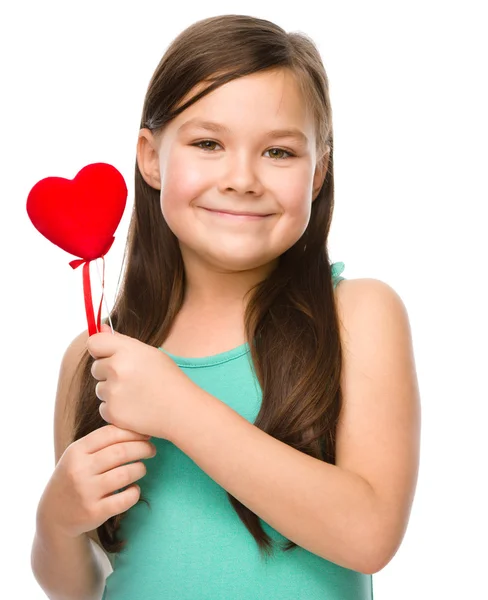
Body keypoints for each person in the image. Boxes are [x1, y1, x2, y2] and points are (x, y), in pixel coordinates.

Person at [31, 13, 420, 600]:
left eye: (280, 152)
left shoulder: (359, 315)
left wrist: (178, 409)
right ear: (152, 157)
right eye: (208, 143)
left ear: (319, 173)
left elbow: (369, 535)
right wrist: (56, 520)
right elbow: (78, 587)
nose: (242, 178)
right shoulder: (94, 362)